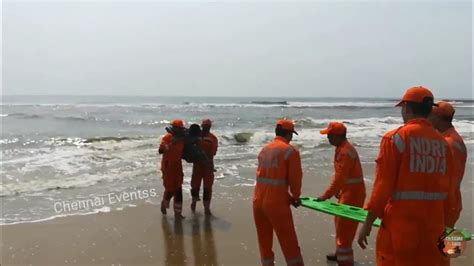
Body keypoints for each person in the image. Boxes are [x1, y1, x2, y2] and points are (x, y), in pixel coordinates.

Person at [357, 86, 454, 266]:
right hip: (434, 227)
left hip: (401, 227)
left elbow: (382, 187)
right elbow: (449, 190)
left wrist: (367, 223)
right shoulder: (443, 144)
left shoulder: (395, 138)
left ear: (407, 108)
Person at [253, 119, 304, 266]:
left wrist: (288, 196)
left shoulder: (264, 149)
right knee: (289, 243)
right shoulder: (290, 151)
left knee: (264, 242)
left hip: (257, 202)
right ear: (289, 134)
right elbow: (295, 179)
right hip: (276, 204)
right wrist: (295, 196)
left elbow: (267, 179)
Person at [317, 122, 366, 266]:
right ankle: (340, 253)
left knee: (344, 230)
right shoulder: (342, 148)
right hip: (349, 191)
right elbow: (344, 177)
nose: (327, 139)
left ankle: (344, 260)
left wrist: (326, 195)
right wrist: (339, 190)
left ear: (337, 136)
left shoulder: (344, 152)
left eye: (329, 136)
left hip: (353, 194)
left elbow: (340, 177)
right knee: (340, 224)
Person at [428, 101, 467, 266]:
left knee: (440, 253)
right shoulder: (448, 139)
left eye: (430, 115)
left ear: (437, 117)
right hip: (450, 203)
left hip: (447, 205)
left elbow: (449, 180)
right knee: (442, 251)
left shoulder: (450, 143)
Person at [159, 119, 186, 219]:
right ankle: (164, 204)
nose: (179, 130)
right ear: (174, 128)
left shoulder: (183, 139)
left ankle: (178, 214)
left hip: (178, 166)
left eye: (181, 129)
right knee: (170, 189)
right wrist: (170, 143)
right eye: (178, 128)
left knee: (178, 189)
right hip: (168, 166)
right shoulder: (167, 137)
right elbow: (160, 150)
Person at [190, 119, 218, 215]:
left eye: (208, 126)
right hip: (197, 165)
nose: (206, 127)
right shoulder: (195, 135)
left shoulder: (213, 138)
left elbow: (213, 152)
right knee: (195, 185)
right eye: (205, 125)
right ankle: (193, 202)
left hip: (208, 165)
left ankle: (207, 208)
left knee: (207, 187)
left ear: (210, 126)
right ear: (202, 126)